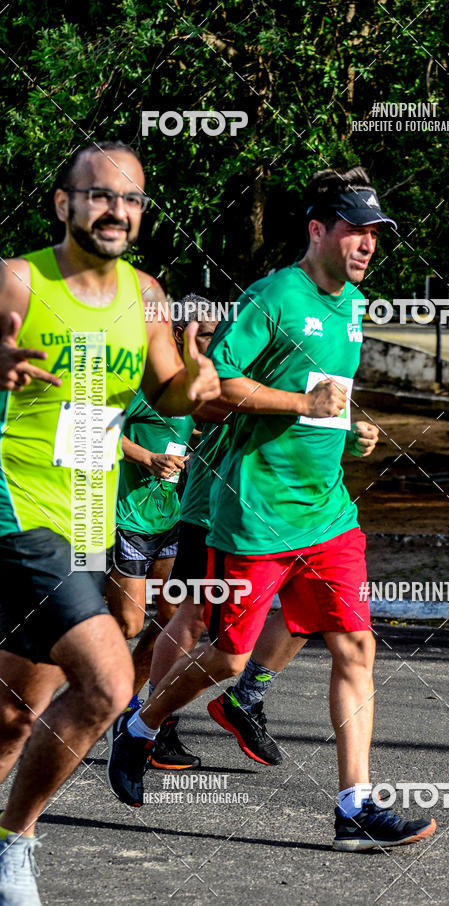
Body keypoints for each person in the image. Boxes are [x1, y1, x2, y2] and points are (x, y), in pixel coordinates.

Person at [108, 165, 437, 851]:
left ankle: (354, 805)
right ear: (318, 230)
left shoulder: (352, 307)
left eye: (376, 235)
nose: (369, 244)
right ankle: (137, 726)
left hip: (329, 515)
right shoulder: (274, 296)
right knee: (227, 657)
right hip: (255, 514)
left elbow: (323, 389)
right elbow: (218, 383)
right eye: (356, 230)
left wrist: (352, 423)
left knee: (356, 646)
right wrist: (301, 406)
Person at [0, 140, 219, 905]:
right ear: (64, 203)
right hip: (17, 509)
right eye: (99, 195)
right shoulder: (18, 280)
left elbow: (172, 395)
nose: (115, 211)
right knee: (108, 681)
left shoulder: (148, 295)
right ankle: (15, 845)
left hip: (89, 513)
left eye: (130, 199)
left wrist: (197, 377)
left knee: (15, 713)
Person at [148, 419, 379, 767]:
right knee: (194, 616)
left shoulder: (319, 367)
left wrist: (352, 435)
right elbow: (196, 402)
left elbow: (313, 429)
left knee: (313, 609)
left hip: (298, 516)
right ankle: (154, 726)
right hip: (218, 506)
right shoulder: (242, 364)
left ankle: (244, 698)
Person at [107, 295, 220, 770]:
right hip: (132, 517)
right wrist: (148, 458)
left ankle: (146, 722)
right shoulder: (143, 378)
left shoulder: (206, 383)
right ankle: (100, 700)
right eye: (207, 334)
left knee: (173, 620)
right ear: (179, 333)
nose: (215, 343)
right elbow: (101, 428)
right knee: (130, 624)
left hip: (176, 516)